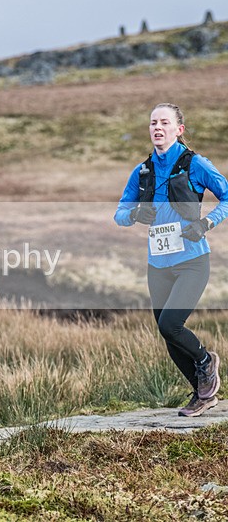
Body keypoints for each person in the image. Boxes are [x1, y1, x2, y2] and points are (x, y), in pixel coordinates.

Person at [115, 103, 228, 417]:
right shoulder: (143, 171)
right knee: (167, 334)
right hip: (158, 264)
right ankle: (203, 394)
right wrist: (135, 215)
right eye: (153, 123)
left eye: (164, 122)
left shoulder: (196, 164)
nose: (157, 128)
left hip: (192, 260)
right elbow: (120, 212)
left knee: (170, 324)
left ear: (179, 129)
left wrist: (205, 223)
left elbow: (226, 196)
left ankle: (206, 361)